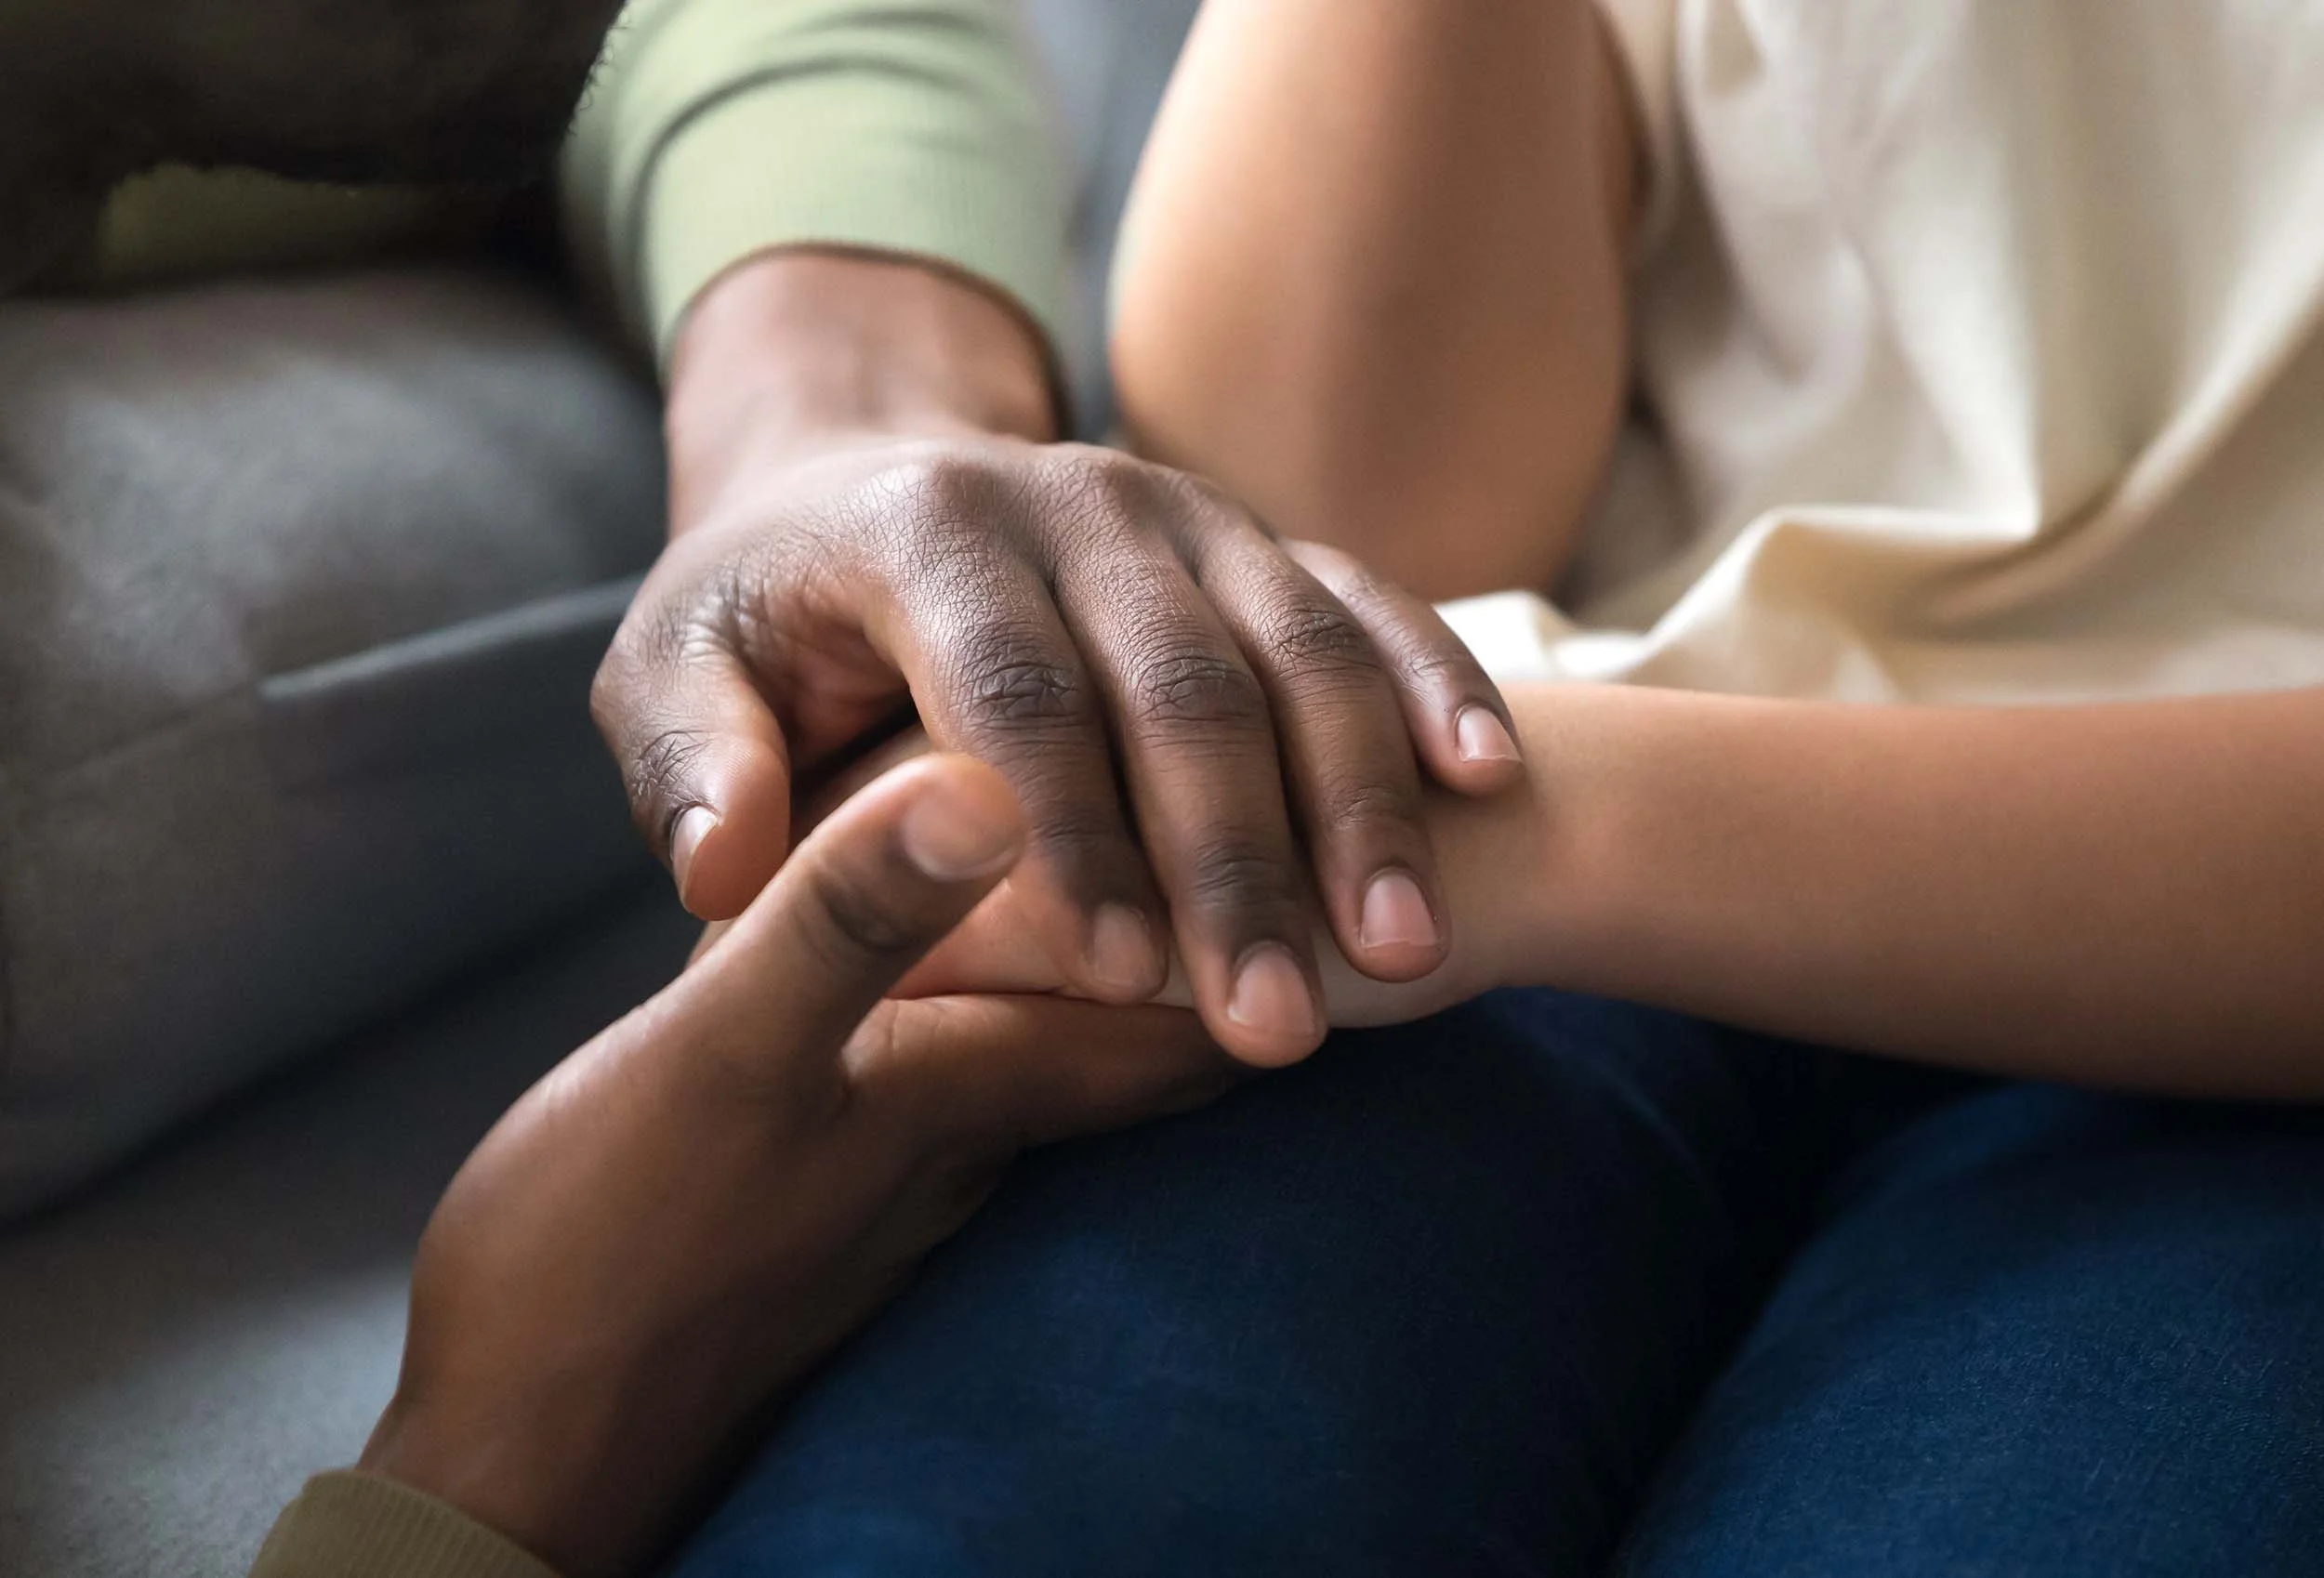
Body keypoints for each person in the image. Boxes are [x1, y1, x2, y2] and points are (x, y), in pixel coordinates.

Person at [646, 3, 2324, 1575]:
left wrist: (1498, 827)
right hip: (1514, 907)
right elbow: (1354, 500)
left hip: (2204, 1026)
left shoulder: (1501, 840)